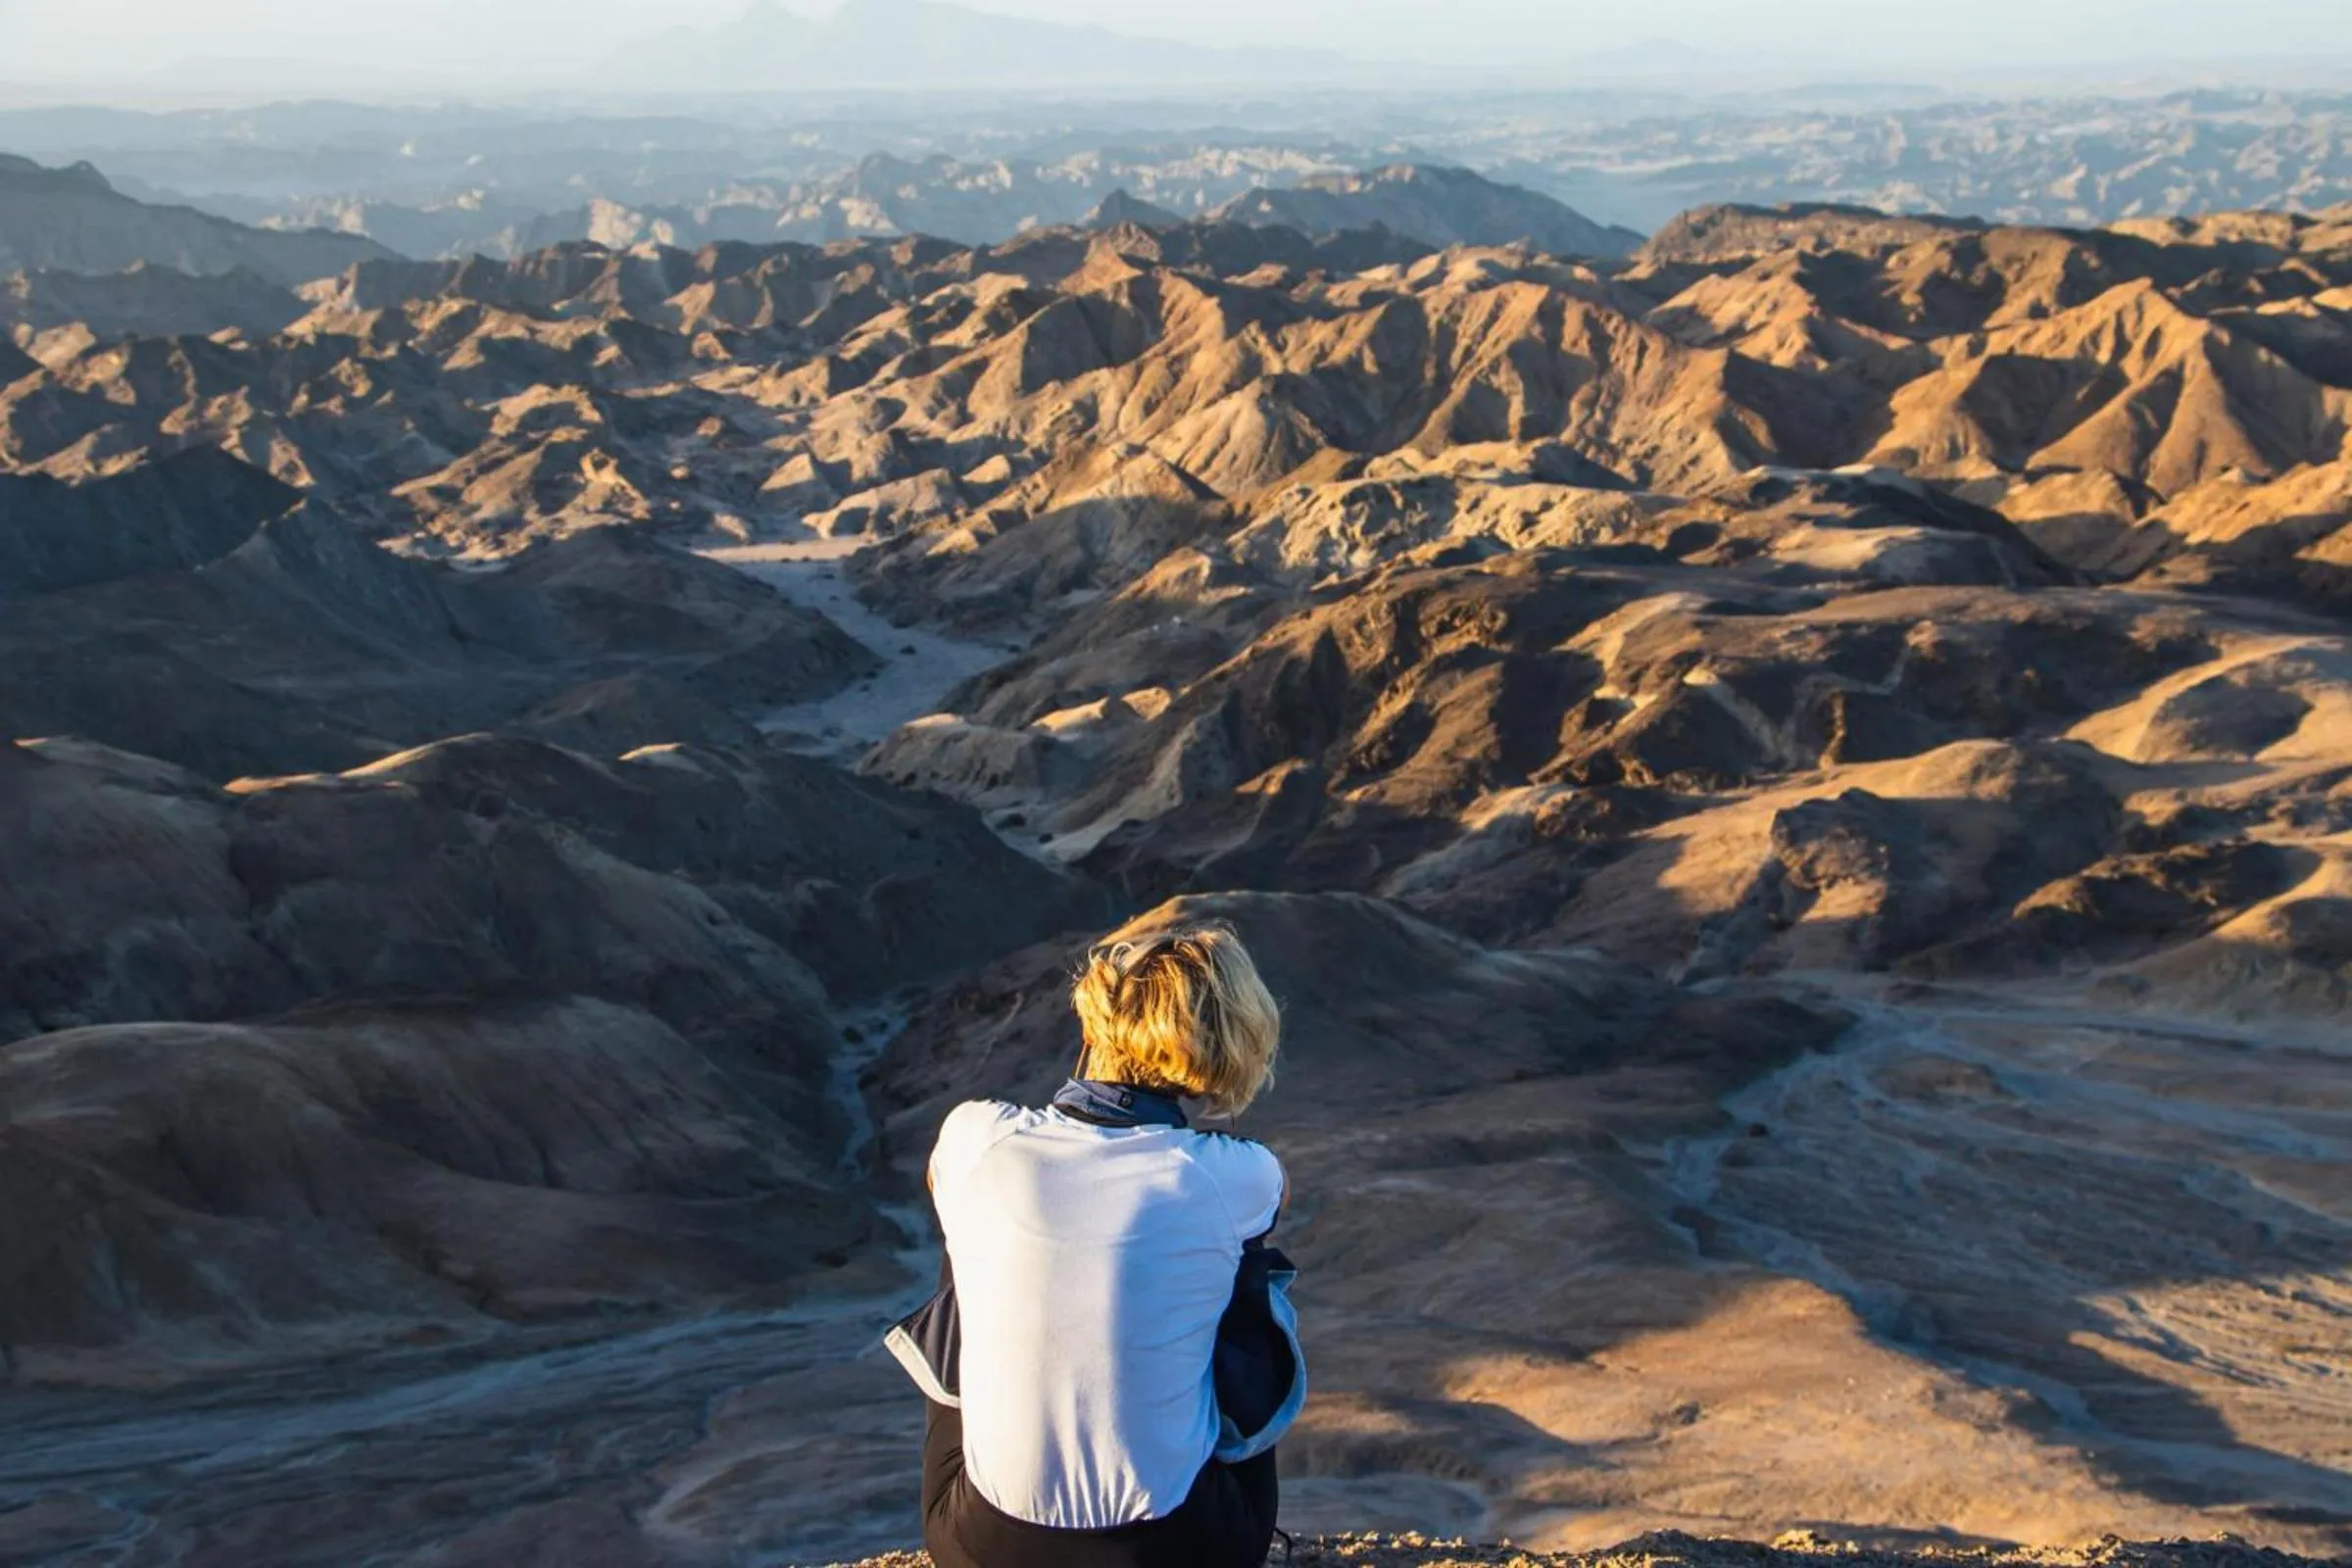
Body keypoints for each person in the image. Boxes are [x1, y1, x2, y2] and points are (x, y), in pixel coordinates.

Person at [895, 920, 1295, 1568]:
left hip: (982, 1546)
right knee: (1241, 1279)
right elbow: (1276, 1199)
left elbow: (940, 1181)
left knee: (972, 1243)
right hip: (1181, 1550)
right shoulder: (1232, 1174)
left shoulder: (979, 1137)